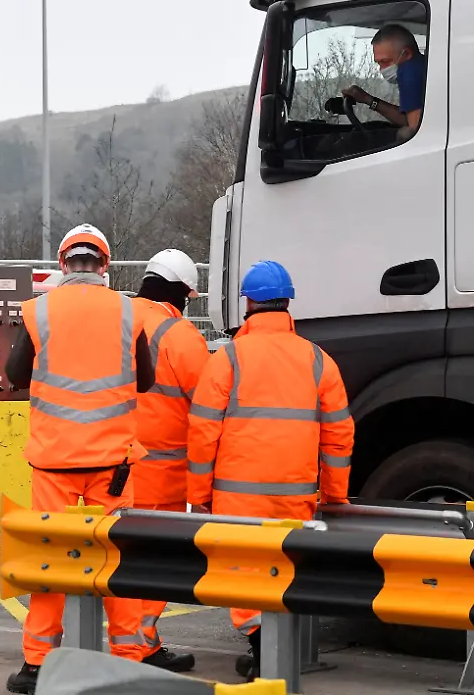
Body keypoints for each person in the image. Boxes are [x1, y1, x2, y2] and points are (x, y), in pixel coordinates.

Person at [3, 224, 155, 695]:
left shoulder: (38, 311)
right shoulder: (129, 312)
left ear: (64, 263)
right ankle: (130, 658)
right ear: (104, 265)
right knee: (114, 560)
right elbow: (146, 381)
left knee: (49, 564)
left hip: (54, 463)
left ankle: (37, 664)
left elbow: (12, 374)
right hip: (113, 466)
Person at [187, 260, 354, 682]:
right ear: (288, 303)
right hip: (295, 495)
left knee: (243, 576)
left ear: (248, 303)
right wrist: (334, 496)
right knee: (285, 570)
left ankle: (263, 650)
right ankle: (276, 650)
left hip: (236, 496)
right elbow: (338, 439)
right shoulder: (319, 361)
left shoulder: (227, 359)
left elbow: (203, 432)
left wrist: (199, 493)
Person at [129, 249, 211, 672]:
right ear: (181, 292)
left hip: (110, 468)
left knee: (117, 560)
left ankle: (123, 642)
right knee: (154, 564)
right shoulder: (180, 335)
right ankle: (140, 645)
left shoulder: (116, 317)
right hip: (161, 476)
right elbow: (211, 403)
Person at [342, 23, 427, 142]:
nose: (382, 69)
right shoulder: (421, 66)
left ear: (407, 54)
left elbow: (414, 132)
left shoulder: (409, 72)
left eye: (386, 61)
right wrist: (366, 99)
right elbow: (410, 118)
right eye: (379, 63)